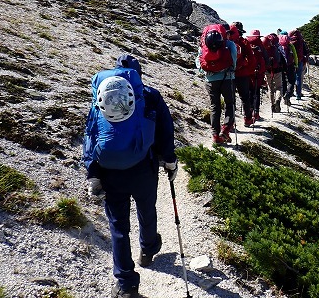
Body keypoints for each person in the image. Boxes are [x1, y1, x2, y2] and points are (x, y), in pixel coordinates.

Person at [82, 54, 177, 298]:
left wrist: (93, 172)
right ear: (137, 75)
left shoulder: (102, 95)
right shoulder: (149, 95)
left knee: (118, 225)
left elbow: (91, 133)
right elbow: (165, 131)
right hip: (143, 167)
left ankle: (126, 283)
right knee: (147, 209)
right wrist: (169, 160)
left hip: (110, 171)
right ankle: (148, 249)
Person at [196, 24, 238, 144]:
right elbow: (234, 58)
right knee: (230, 104)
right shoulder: (229, 44)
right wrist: (232, 69)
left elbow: (198, 60)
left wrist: (205, 71)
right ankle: (225, 130)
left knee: (215, 106)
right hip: (227, 78)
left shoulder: (204, 44)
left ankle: (215, 135)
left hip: (210, 80)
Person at [229, 22, 256, 126]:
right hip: (242, 73)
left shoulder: (226, 41)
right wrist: (249, 71)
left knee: (230, 99)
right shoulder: (244, 42)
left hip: (228, 73)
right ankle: (247, 119)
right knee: (245, 97)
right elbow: (251, 59)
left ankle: (230, 123)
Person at [246, 30, 268, 122]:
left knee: (249, 92)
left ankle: (248, 113)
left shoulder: (246, 43)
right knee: (256, 92)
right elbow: (266, 59)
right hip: (258, 73)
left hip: (248, 72)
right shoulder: (260, 45)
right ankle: (256, 113)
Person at [262, 32, 287, 113]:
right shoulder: (277, 47)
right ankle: (278, 101)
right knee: (279, 87)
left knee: (270, 88)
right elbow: (283, 58)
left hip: (268, 71)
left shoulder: (264, 48)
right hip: (277, 70)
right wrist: (285, 69)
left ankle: (272, 105)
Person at [289, 29, 310, 100]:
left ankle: (290, 93)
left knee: (291, 78)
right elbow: (306, 52)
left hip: (291, 62)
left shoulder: (289, 41)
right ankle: (298, 94)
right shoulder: (301, 41)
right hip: (300, 61)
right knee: (299, 77)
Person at [279, 31, 298, 106]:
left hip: (281, 66)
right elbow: (295, 56)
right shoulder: (290, 45)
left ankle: (284, 96)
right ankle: (288, 95)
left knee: (283, 81)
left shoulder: (278, 45)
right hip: (290, 65)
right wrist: (296, 65)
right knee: (291, 81)